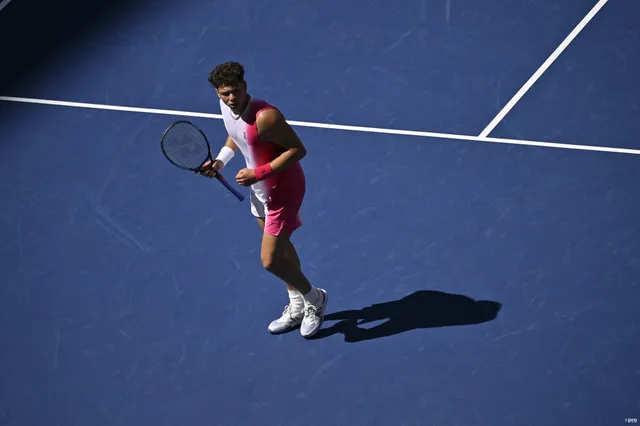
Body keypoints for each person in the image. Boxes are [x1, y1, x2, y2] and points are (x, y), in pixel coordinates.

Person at [199, 61, 328, 338]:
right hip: (259, 190)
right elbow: (236, 136)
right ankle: (296, 304)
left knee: (270, 260)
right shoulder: (227, 109)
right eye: (224, 94)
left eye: (235, 91)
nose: (231, 98)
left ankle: (315, 299)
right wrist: (221, 161)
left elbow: (298, 150)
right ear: (218, 94)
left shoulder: (266, 117)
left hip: (282, 190)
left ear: (245, 86)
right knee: (282, 249)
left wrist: (259, 172)